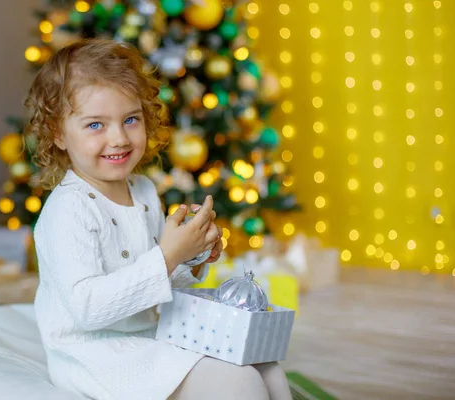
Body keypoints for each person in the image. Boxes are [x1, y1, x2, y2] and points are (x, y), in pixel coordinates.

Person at [27, 38, 292, 400]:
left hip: (152, 335)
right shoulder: (67, 209)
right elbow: (89, 309)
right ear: (58, 133)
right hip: (97, 356)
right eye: (95, 125)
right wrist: (168, 256)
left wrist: (192, 257)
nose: (119, 138)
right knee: (238, 382)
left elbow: (159, 287)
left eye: (131, 119)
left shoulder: (144, 190)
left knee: (267, 369)